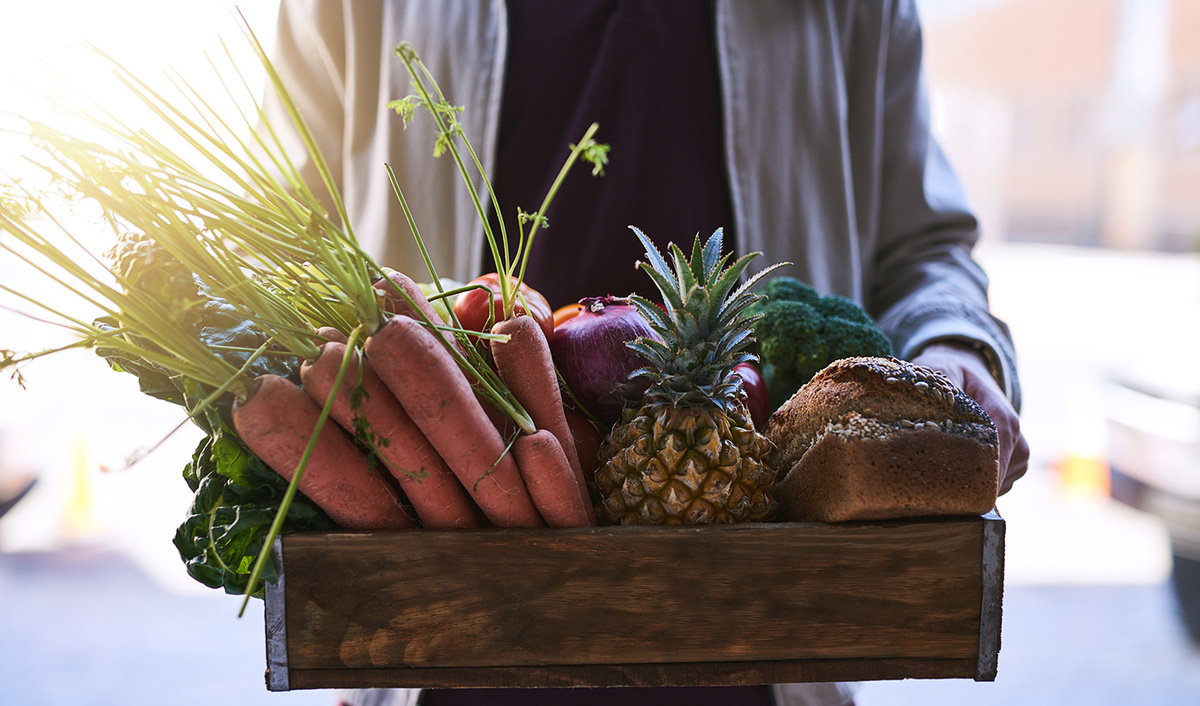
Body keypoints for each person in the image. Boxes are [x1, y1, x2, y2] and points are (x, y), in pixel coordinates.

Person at [264, 1, 1031, 705]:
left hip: (776, 640)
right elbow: (283, 239)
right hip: (430, 640)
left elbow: (923, 244)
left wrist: (952, 347)